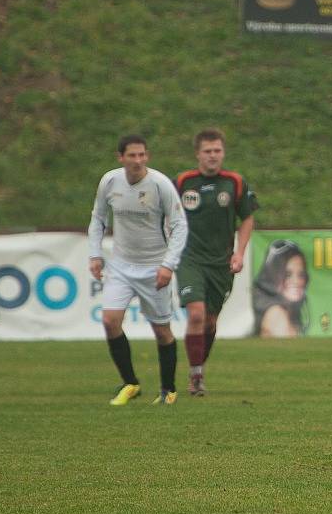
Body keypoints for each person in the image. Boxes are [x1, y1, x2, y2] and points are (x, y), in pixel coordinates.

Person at [88, 134, 188, 406]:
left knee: (162, 331)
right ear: (121, 157)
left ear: (147, 156)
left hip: (154, 267)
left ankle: (168, 390)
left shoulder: (159, 184)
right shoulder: (110, 182)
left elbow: (180, 225)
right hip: (120, 265)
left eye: (142, 155)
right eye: (132, 155)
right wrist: (95, 253)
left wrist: (168, 265)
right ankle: (130, 383)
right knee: (110, 321)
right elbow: (98, 218)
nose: (137, 160)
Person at [175, 129, 259, 396]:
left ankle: (198, 368)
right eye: (208, 151)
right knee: (196, 314)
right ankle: (195, 375)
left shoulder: (234, 182)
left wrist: (239, 252)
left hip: (221, 263)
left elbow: (247, 219)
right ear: (198, 154)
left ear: (223, 152)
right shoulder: (182, 182)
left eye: (217, 151)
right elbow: (165, 217)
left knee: (210, 322)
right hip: (189, 259)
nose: (213, 156)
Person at [253, 240, 309, 337]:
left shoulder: (289, 312)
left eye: (301, 275)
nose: (296, 281)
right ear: (273, 276)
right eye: (287, 275)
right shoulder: (276, 315)